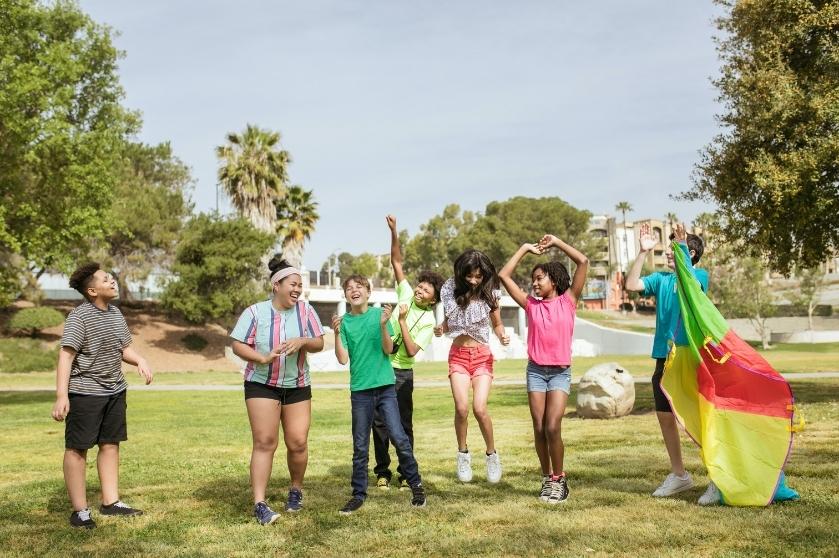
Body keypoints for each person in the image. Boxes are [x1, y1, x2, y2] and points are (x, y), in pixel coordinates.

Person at [51, 263, 153, 529]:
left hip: (114, 389)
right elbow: (66, 355)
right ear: (93, 290)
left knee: (110, 443)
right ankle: (80, 511)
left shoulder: (116, 313)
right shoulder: (79, 317)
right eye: (107, 279)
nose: (113, 281)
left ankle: (111, 502)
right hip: (85, 392)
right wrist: (62, 395)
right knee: (77, 449)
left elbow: (123, 348)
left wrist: (139, 359)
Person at [230, 256, 325, 525]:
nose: (297, 290)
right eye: (293, 284)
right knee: (265, 442)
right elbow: (238, 344)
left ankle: (295, 490)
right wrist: (260, 358)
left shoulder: (305, 311)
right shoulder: (255, 312)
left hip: (297, 386)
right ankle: (260, 504)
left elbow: (319, 343)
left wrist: (303, 341)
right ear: (276, 285)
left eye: (300, 286)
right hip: (261, 384)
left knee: (297, 442)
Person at [498, 235, 588, 504]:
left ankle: (560, 479)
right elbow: (504, 275)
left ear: (555, 280)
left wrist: (557, 243)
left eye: (540, 278)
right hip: (536, 371)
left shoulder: (569, 300)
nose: (535, 283)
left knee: (552, 426)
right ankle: (547, 478)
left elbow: (583, 261)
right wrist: (525, 248)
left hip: (560, 372)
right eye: (534, 279)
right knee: (538, 428)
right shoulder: (531, 305)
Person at [625, 223, 712, 503]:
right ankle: (679, 475)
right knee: (665, 416)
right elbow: (630, 285)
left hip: (691, 355)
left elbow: (692, 286)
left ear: (692, 253)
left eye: (676, 249)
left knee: (701, 417)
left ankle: (717, 477)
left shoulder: (700, 275)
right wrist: (641, 253)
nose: (669, 253)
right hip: (664, 355)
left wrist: (682, 245)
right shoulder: (661, 280)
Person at [332, 275, 426, 515]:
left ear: (368, 292)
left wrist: (384, 325)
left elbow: (388, 349)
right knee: (360, 445)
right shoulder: (344, 323)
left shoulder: (379, 316)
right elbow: (343, 359)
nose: (354, 290)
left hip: (385, 389)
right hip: (360, 392)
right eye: (349, 288)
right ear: (345, 296)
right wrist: (335, 334)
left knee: (399, 437)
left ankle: (416, 485)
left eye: (359, 287)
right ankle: (358, 494)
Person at [372, 215, 444, 490]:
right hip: (381, 367)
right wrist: (394, 232)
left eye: (426, 289)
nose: (419, 289)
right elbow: (397, 262)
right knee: (378, 425)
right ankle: (382, 472)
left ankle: (406, 472)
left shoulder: (428, 321)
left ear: (433, 299)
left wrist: (401, 321)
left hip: (402, 373)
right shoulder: (404, 292)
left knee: (402, 425)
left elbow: (412, 350)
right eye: (420, 285)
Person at [435, 249, 509, 484]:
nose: (474, 280)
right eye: (470, 276)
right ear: (462, 273)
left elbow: (497, 324)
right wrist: (442, 328)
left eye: (478, 276)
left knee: (479, 408)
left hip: (481, 356)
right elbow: (453, 319)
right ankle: (463, 454)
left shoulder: (490, 294)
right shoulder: (450, 289)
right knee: (461, 408)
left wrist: (502, 336)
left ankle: (491, 455)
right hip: (457, 355)